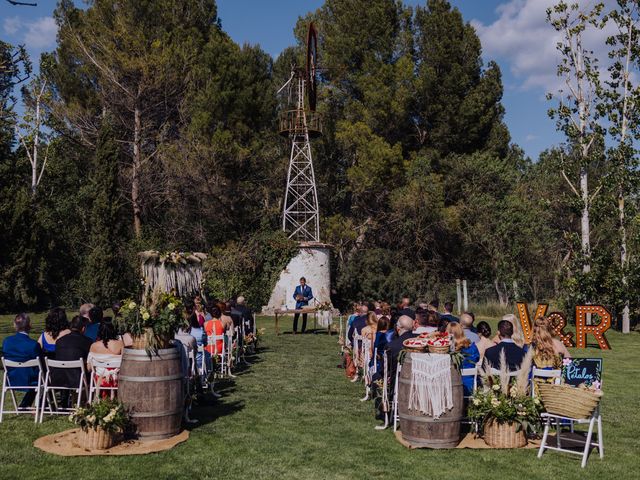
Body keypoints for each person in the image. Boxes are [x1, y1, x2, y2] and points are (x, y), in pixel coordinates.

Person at [2, 313, 42, 408]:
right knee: (44, 375)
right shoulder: (33, 345)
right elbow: (41, 364)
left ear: (14, 325)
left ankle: (25, 404)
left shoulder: (6, 342)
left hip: (11, 379)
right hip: (30, 381)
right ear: (30, 326)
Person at [52, 315, 93, 407]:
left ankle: (66, 402)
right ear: (83, 328)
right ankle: (86, 401)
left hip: (57, 378)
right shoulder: (87, 341)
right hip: (76, 379)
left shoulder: (59, 341)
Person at [87, 318, 123, 396]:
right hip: (116, 380)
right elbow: (124, 364)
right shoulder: (120, 344)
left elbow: (89, 368)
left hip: (100, 381)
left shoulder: (93, 346)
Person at [447, 322, 480, 395]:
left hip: (451, 387)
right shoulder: (473, 349)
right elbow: (477, 359)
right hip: (470, 386)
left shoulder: (447, 352)